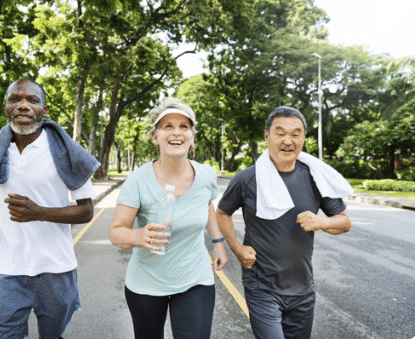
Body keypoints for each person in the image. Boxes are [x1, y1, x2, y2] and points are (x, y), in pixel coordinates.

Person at [0, 78, 100, 339]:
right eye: (15, 99)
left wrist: (39, 212)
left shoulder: (67, 152)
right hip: (8, 268)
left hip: (55, 269)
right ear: (6, 106)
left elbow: (87, 211)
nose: (23, 105)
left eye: (32, 100)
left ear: (45, 110)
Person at [216, 106, 353, 339]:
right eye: (280, 133)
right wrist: (237, 249)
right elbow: (222, 213)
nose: (288, 141)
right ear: (267, 136)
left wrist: (320, 222)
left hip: (303, 289)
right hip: (262, 286)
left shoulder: (315, 177)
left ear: (304, 138)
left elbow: (345, 222)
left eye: (296, 133)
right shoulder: (247, 178)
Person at [109, 98, 228, 339]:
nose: (177, 132)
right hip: (147, 283)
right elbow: (116, 231)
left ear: (192, 136)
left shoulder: (205, 175)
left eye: (184, 126)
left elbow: (206, 205)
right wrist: (138, 235)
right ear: (156, 136)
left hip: (195, 278)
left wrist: (218, 243)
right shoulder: (138, 180)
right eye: (168, 126)